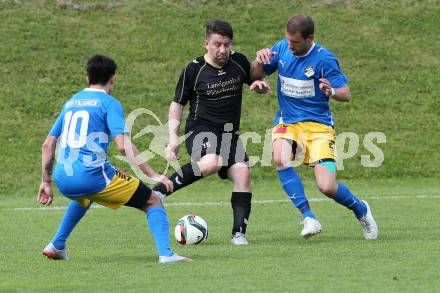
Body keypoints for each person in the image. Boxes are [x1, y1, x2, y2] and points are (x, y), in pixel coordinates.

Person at [37, 55, 191, 263]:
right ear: (113, 79)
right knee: (153, 200)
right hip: (92, 175)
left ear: (87, 78)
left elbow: (48, 144)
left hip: (63, 177)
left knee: (86, 196)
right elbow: (122, 145)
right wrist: (153, 174)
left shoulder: (71, 102)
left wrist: (46, 181)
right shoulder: (109, 103)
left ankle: (56, 245)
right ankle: (166, 254)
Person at [250, 14, 378, 240]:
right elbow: (255, 76)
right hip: (287, 122)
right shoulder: (281, 48)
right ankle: (309, 217)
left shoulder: (324, 59)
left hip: (319, 128)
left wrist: (332, 92)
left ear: (310, 38)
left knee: (327, 185)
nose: (290, 46)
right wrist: (259, 61)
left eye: (295, 42)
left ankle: (360, 209)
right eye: (288, 41)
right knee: (280, 157)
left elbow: (346, 93)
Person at [152, 19, 270, 245]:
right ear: (206, 43)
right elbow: (177, 104)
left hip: (228, 134)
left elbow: (255, 79)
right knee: (212, 161)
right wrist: (173, 139)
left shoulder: (238, 61)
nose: (223, 50)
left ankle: (238, 234)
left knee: (243, 173)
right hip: (200, 130)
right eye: (217, 44)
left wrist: (260, 86)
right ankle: (158, 192)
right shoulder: (194, 69)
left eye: (227, 44)